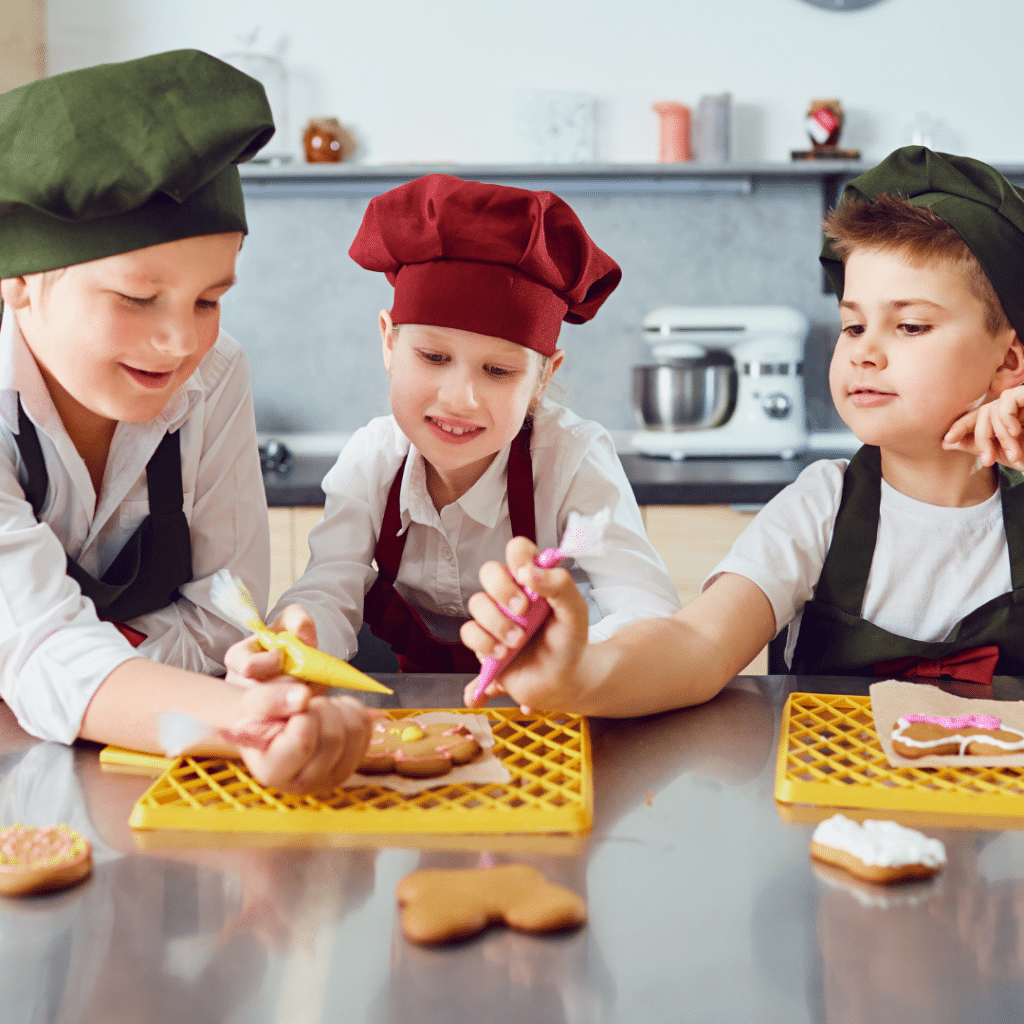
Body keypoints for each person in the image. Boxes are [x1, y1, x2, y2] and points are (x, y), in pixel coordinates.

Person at [459, 146, 1024, 716]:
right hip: (829, 797)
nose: (865, 352)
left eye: (910, 325)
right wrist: (581, 675)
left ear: (1008, 363)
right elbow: (699, 643)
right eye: (853, 325)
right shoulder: (821, 508)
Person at [0, 50, 375, 791]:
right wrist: (239, 719)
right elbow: (40, 646)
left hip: (135, 762)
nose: (180, 344)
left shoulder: (217, 372)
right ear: (18, 284)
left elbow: (228, 615)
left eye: (208, 300)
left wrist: (113, 675)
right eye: (137, 300)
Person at [227, 174, 680, 681]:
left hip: (561, 704)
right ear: (389, 344)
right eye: (434, 356)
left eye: (498, 371)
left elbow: (650, 614)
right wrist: (299, 633)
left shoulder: (573, 459)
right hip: (419, 707)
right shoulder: (374, 458)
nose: (460, 398)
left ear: (543, 377)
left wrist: (575, 660)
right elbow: (330, 585)